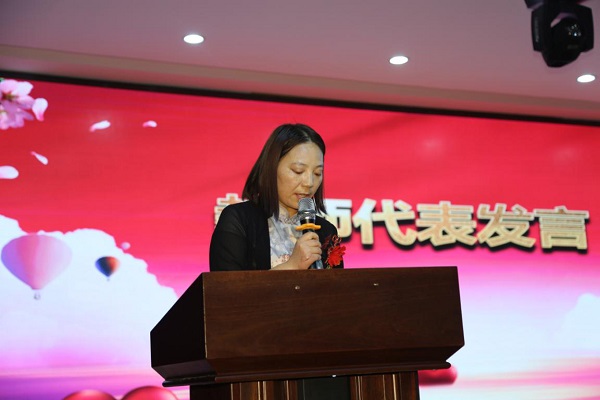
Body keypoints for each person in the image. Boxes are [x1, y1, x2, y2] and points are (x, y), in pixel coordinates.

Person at [210, 123, 345, 271]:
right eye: (298, 171)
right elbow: (225, 285)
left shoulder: (326, 231)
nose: (309, 183)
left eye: (317, 173)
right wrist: (292, 266)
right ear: (272, 168)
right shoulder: (239, 220)